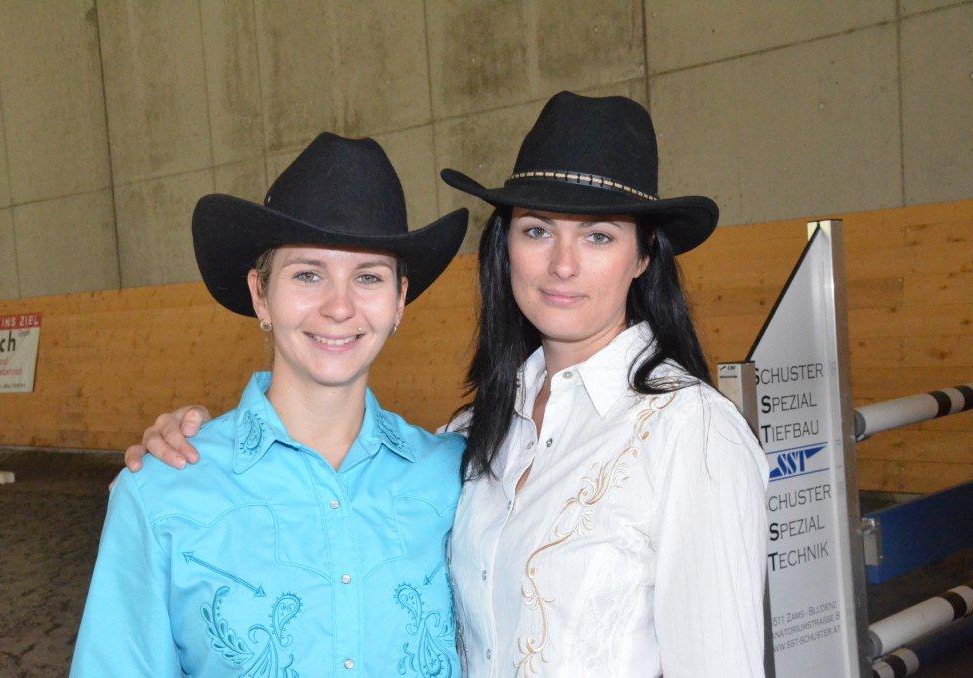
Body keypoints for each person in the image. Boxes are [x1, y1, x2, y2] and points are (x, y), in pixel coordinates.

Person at [126, 92, 769, 677]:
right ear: (506, 247)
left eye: (598, 236)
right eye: (537, 231)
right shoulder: (471, 440)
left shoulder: (693, 435)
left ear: (644, 255)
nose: (563, 265)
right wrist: (188, 456)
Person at [72, 133, 469, 677]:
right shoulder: (159, 492)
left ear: (399, 301)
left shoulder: (458, 479)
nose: (339, 307)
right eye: (307, 274)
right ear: (261, 294)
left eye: (369, 277)